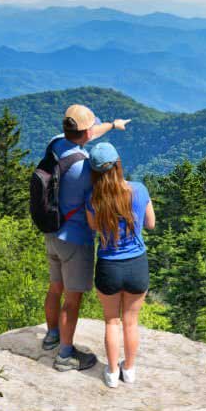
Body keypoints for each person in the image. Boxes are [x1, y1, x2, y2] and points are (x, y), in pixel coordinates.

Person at [42, 104, 130, 371]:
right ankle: (65, 356)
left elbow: (90, 135)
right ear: (86, 131)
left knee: (55, 288)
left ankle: (52, 335)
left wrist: (113, 125)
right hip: (76, 239)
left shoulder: (56, 144)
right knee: (72, 299)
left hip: (53, 231)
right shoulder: (85, 169)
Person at [84, 142, 155, 388]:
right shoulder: (139, 189)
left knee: (111, 321)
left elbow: (93, 227)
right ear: (118, 165)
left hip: (108, 266)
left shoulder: (93, 198)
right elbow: (151, 223)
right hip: (137, 264)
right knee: (131, 322)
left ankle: (112, 373)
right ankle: (130, 369)